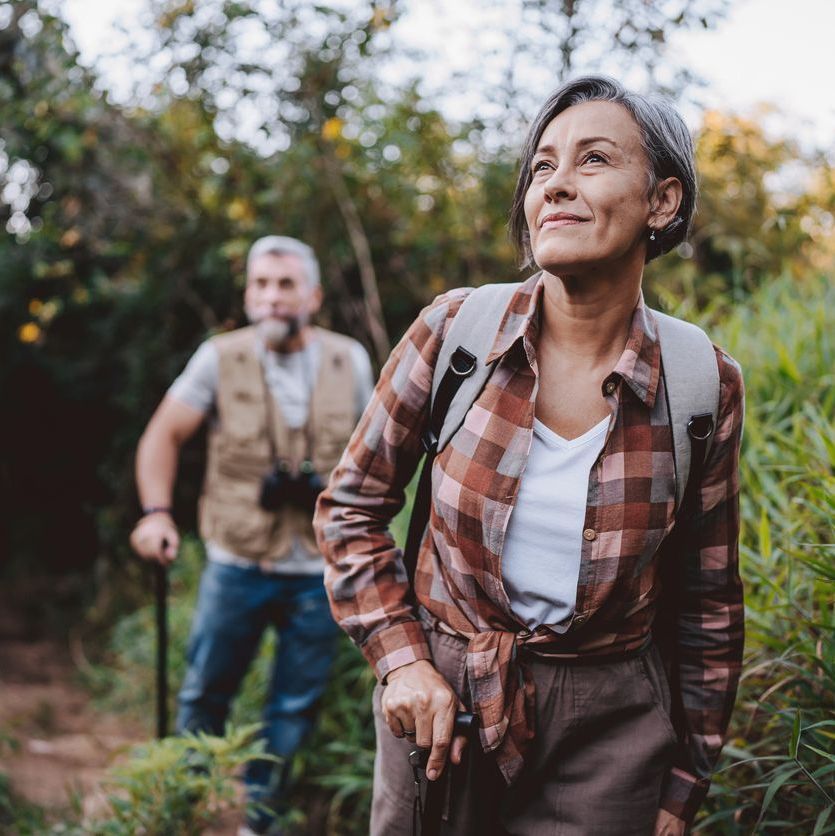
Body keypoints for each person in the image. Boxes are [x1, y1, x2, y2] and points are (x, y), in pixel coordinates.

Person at [314, 76, 745, 835]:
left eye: (592, 160)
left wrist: (685, 781)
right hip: (440, 711)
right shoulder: (456, 333)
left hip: (611, 728)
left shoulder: (699, 383)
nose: (556, 186)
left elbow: (709, 603)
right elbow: (352, 508)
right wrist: (403, 661)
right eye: (542, 167)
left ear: (662, 202)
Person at [130, 235, 374, 836]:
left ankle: (257, 825)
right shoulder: (220, 356)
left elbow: (375, 458)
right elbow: (161, 436)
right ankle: (182, 809)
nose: (272, 297)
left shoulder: (352, 360)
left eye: (286, 284)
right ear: (248, 294)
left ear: (312, 295)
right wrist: (157, 512)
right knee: (205, 694)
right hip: (236, 561)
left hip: (320, 571)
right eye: (261, 285)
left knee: (293, 709)